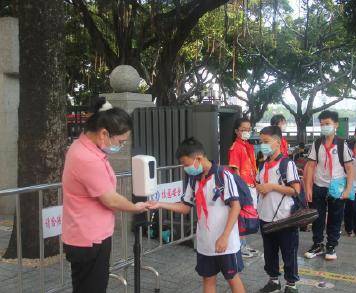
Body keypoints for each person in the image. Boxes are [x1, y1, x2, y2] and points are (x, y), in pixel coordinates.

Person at [62, 100, 149, 293]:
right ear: (103, 133)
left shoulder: (85, 148)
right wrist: (136, 207)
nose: (121, 145)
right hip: (88, 239)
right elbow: (110, 198)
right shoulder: (87, 158)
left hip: (91, 234)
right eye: (120, 141)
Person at [147, 138, 245, 293]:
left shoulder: (223, 175)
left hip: (227, 243)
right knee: (207, 278)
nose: (186, 168)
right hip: (205, 242)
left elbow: (236, 206)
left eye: (186, 164)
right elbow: (186, 207)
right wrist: (160, 204)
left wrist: (225, 236)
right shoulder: (194, 179)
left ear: (198, 158)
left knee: (232, 278)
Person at [303, 110, 354, 261]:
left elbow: (350, 168)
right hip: (319, 186)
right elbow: (311, 166)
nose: (324, 127)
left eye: (327, 124)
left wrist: (348, 189)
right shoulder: (317, 143)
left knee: (335, 218)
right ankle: (318, 244)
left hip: (336, 187)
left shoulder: (342, 144)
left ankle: (331, 245)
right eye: (322, 124)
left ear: (336, 125)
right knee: (317, 217)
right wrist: (308, 187)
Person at [256, 126, 301, 293]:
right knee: (269, 252)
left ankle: (291, 284)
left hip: (285, 217)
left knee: (289, 252)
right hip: (265, 216)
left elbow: (296, 190)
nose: (263, 145)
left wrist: (272, 187)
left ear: (277, 142)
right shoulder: (262, 165)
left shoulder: (287, 164)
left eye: (266, 142)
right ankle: (273, 281)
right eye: (261, 142)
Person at [228, 117, 258, 258]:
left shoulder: (248, 146)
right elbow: (235, 171)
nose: (246, 132)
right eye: (243, 130)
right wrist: (242, 189)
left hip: (251, 185)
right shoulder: (236, 147)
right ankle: (240, 246)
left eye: (248, 129)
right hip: (244, 187)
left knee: (247, 217)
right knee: (242, 218)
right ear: (236, 131)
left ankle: (244, 244)